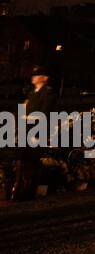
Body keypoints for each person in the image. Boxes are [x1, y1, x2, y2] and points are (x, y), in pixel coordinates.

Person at [10, 68, 55, 200]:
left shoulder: (48, 93)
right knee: (20, 156)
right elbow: (25, 108)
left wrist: (28, 118)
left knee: (32, 159)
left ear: (44, 78)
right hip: (26, 130)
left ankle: (30, 188)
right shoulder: (32, 93)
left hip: (37, 130)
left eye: (37, 75)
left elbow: (44, 113)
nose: (34, 77)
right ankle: (18, 184)